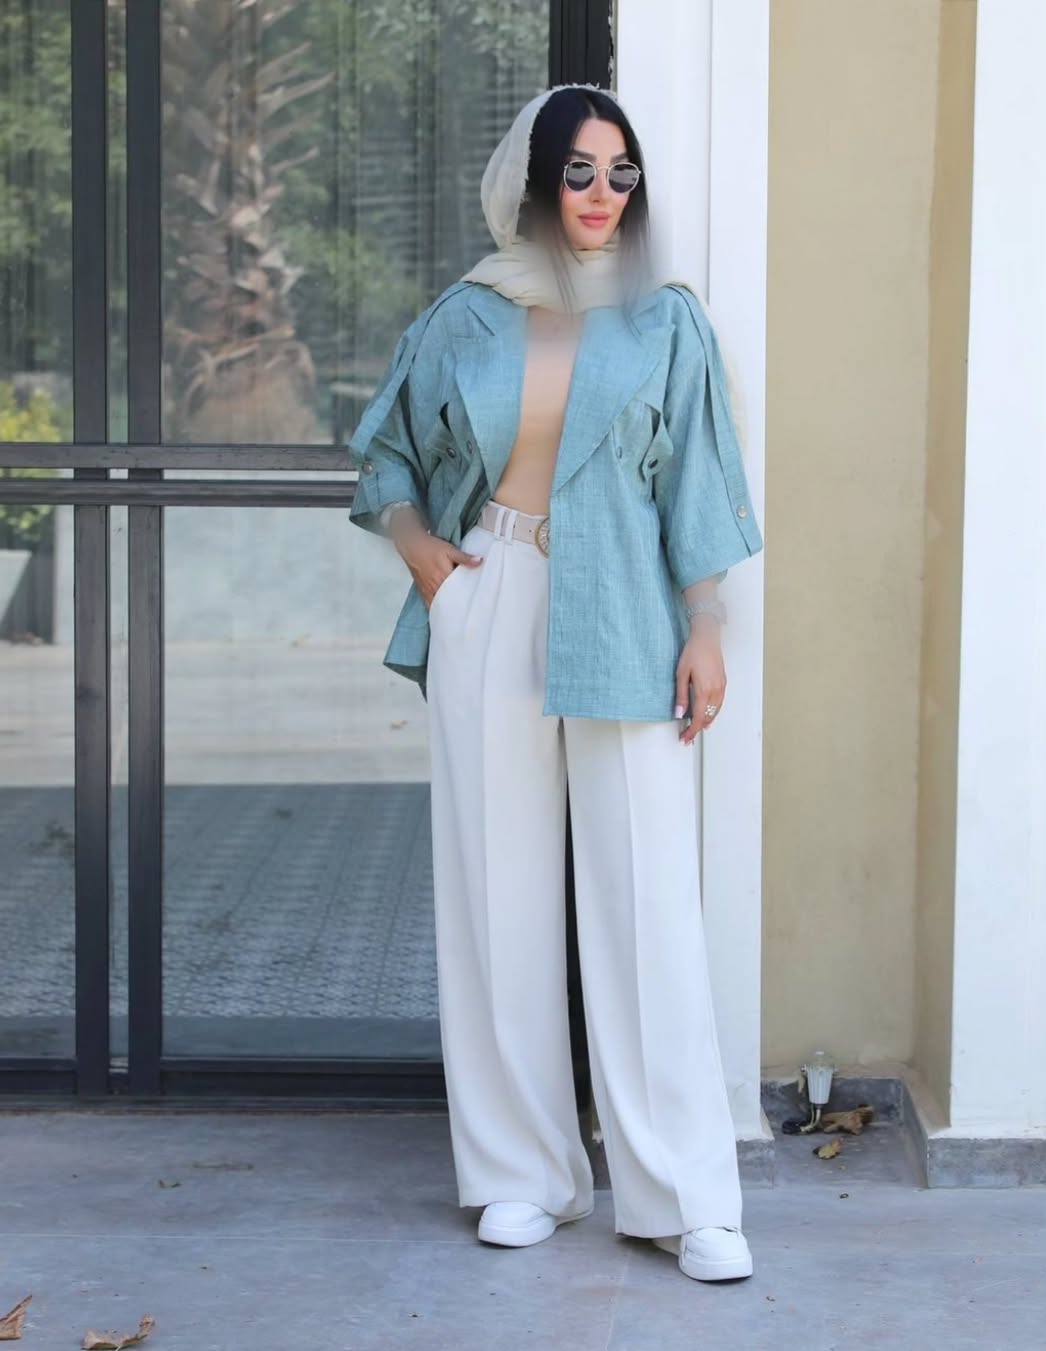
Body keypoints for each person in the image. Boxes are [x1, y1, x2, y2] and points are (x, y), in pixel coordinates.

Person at [347, 83, 764, 1284]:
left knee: (648, 905)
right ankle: (520, 1172)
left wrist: (706, 624)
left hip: (628, 605)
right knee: (498, 894)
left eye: (621, 173)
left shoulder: (664, 320)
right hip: (495, 593)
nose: (602, 195)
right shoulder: (467, 316)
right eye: (579, 171)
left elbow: (697, 482)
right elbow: (386, 453)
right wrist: (428, 560)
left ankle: (685, 1194)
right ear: (533, 182)